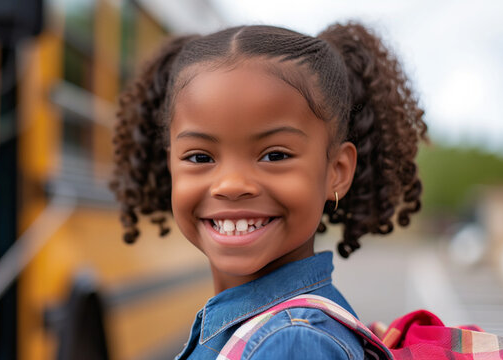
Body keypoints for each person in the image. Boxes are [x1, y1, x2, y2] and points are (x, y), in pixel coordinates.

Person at [110, 22, 427, 359]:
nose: (231, 185)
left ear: (337, 171)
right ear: (170, 164)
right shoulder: (258, 330)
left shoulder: (292, 343)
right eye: (200, 157)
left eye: (275, 155)